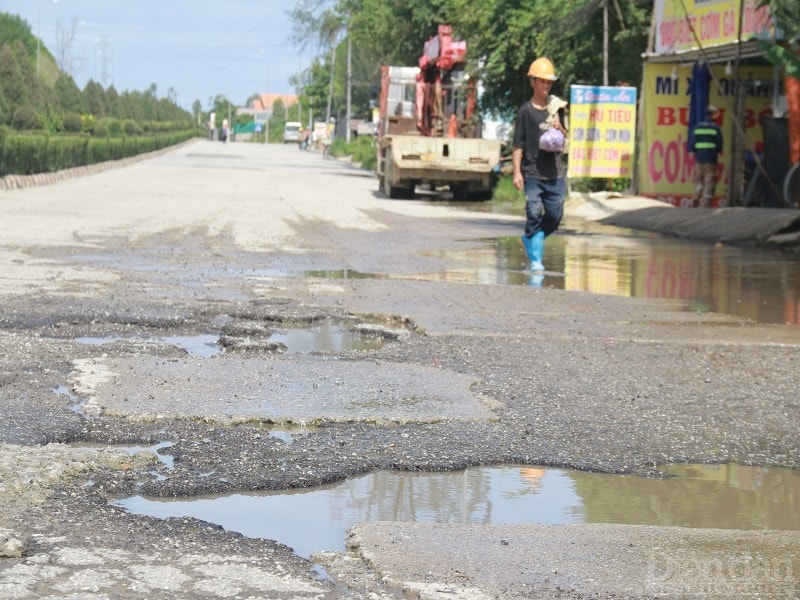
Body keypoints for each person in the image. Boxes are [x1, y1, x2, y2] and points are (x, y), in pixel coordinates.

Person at [513, 57, 568, 274]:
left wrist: (559, 127)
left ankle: (529, 239)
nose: (546, 86)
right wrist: (517, 172)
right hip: (533, 173)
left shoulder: (557, 108)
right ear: (533, 82)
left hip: (555, 172)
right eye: (542, 81)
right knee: (534, 212)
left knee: (555, 215)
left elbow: (566, 138)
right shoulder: (525, 112)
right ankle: (536, 260)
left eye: (549, 82)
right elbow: (518, 144)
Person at [689, 104, 723, 208]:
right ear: (713, 115)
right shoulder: (715, 128)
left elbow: (692, 142)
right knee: (709, 180)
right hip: (711, 157)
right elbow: (719, 144)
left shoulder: (698, 127)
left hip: (700, 157)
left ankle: (696, 195)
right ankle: (706, 204)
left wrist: (695, 152)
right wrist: (717, 151)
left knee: (700, 179)